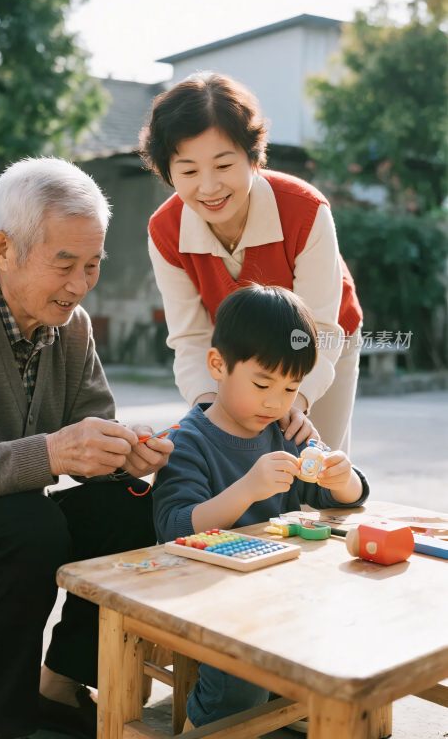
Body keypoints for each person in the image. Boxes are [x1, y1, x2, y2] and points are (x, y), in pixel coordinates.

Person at [0, 157, 173, 739]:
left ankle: (58, 687)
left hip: (0, 532)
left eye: (92, 265)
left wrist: (125, 456)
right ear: (3, 247)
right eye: (64, 264)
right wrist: (54, 454)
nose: (80, 285)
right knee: (24, 523)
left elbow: (92, 428)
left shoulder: (71, 326)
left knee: (130, 506)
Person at [152, 285, 369, 732]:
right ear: (218, 365)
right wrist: (247, 490)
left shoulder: (284, 430)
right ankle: (210, 720)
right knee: (240, 677)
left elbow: (344, 497)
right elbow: (173, 528)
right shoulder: (188, 441)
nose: (275, 402)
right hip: (208, 603)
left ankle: (289, 699)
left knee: (347, 633)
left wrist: (341, 475)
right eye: (262, 383)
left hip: (281, 596)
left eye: (291, 388)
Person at [140, 72, 363, 454]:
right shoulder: (166, 230)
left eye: (223, 166)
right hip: (241, 353)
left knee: (315, 472)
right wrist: (211, 411)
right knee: (234, 471)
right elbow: (192, 338)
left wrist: (292, 402)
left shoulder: (305, 210)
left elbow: (323, 329)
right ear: (168, 171)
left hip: (323, 343)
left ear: (253, 157)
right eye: (189, 171)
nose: (208, 187)